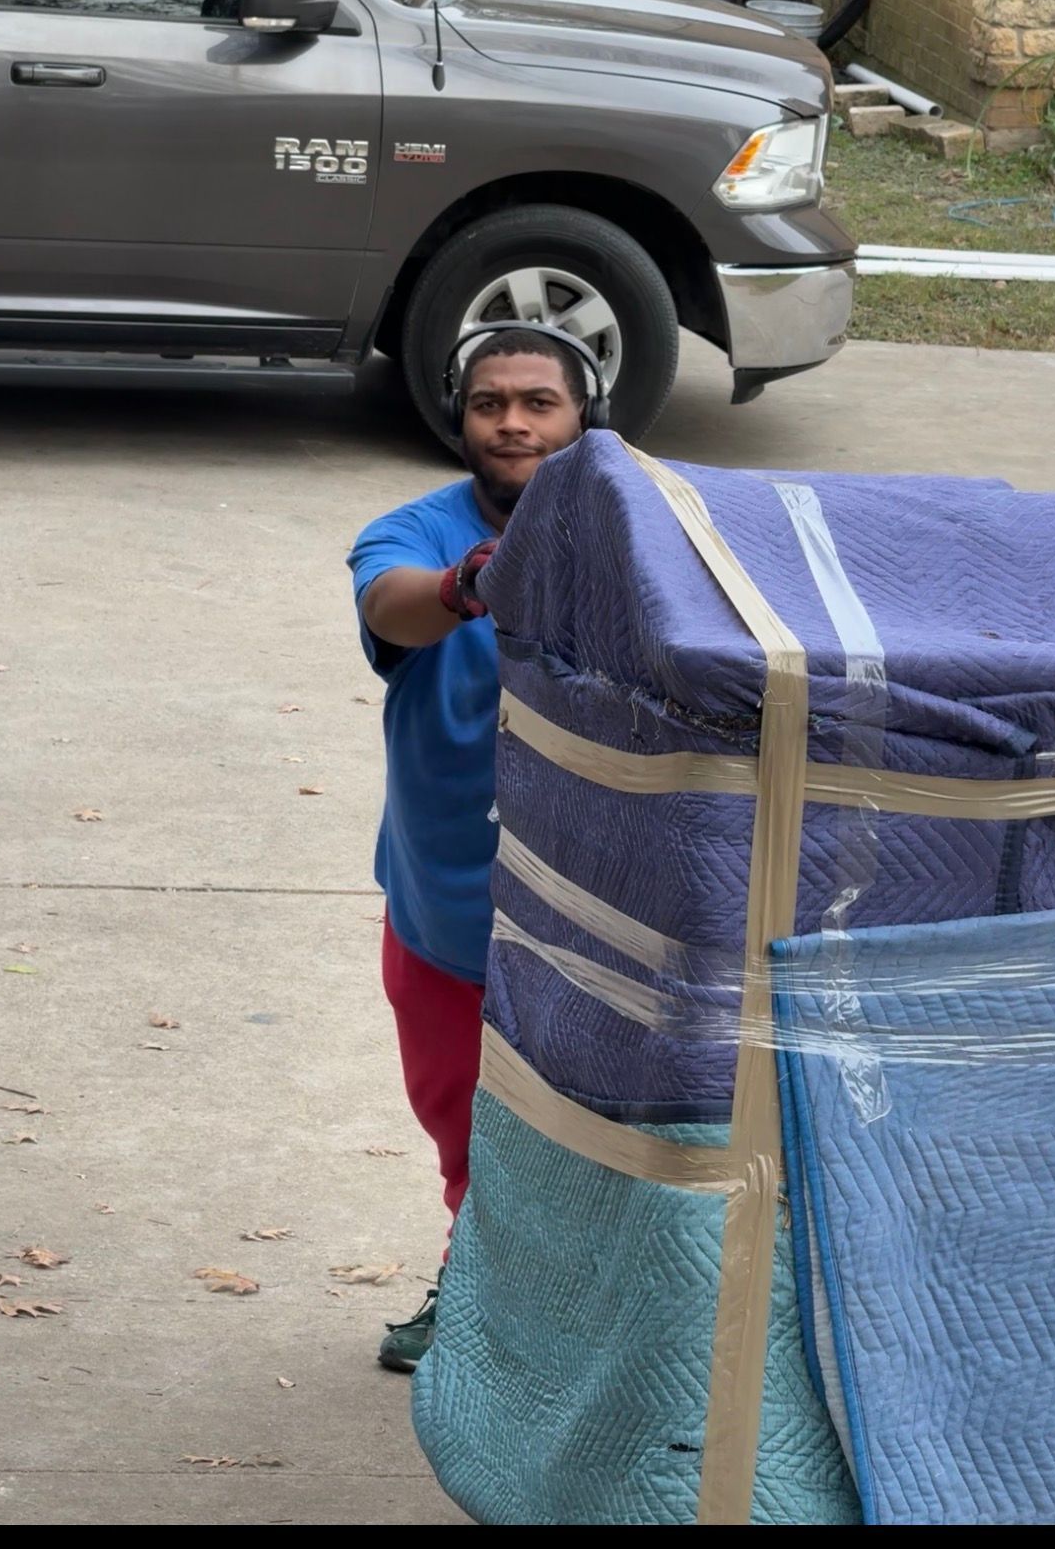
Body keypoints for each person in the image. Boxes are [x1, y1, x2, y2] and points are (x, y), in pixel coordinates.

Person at [347, 325, 597, 1372]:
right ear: (461, 418)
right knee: (465, 1132)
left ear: (584, 417)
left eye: (539, 401)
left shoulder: (640, 533)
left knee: (598, 1135)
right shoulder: (412, 531)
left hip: (600, 909)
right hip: (448, 908)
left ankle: (565, 1312)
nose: (514, 421)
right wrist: (472, 585)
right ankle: (478, 1282)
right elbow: (388, 607)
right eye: (491, 402)